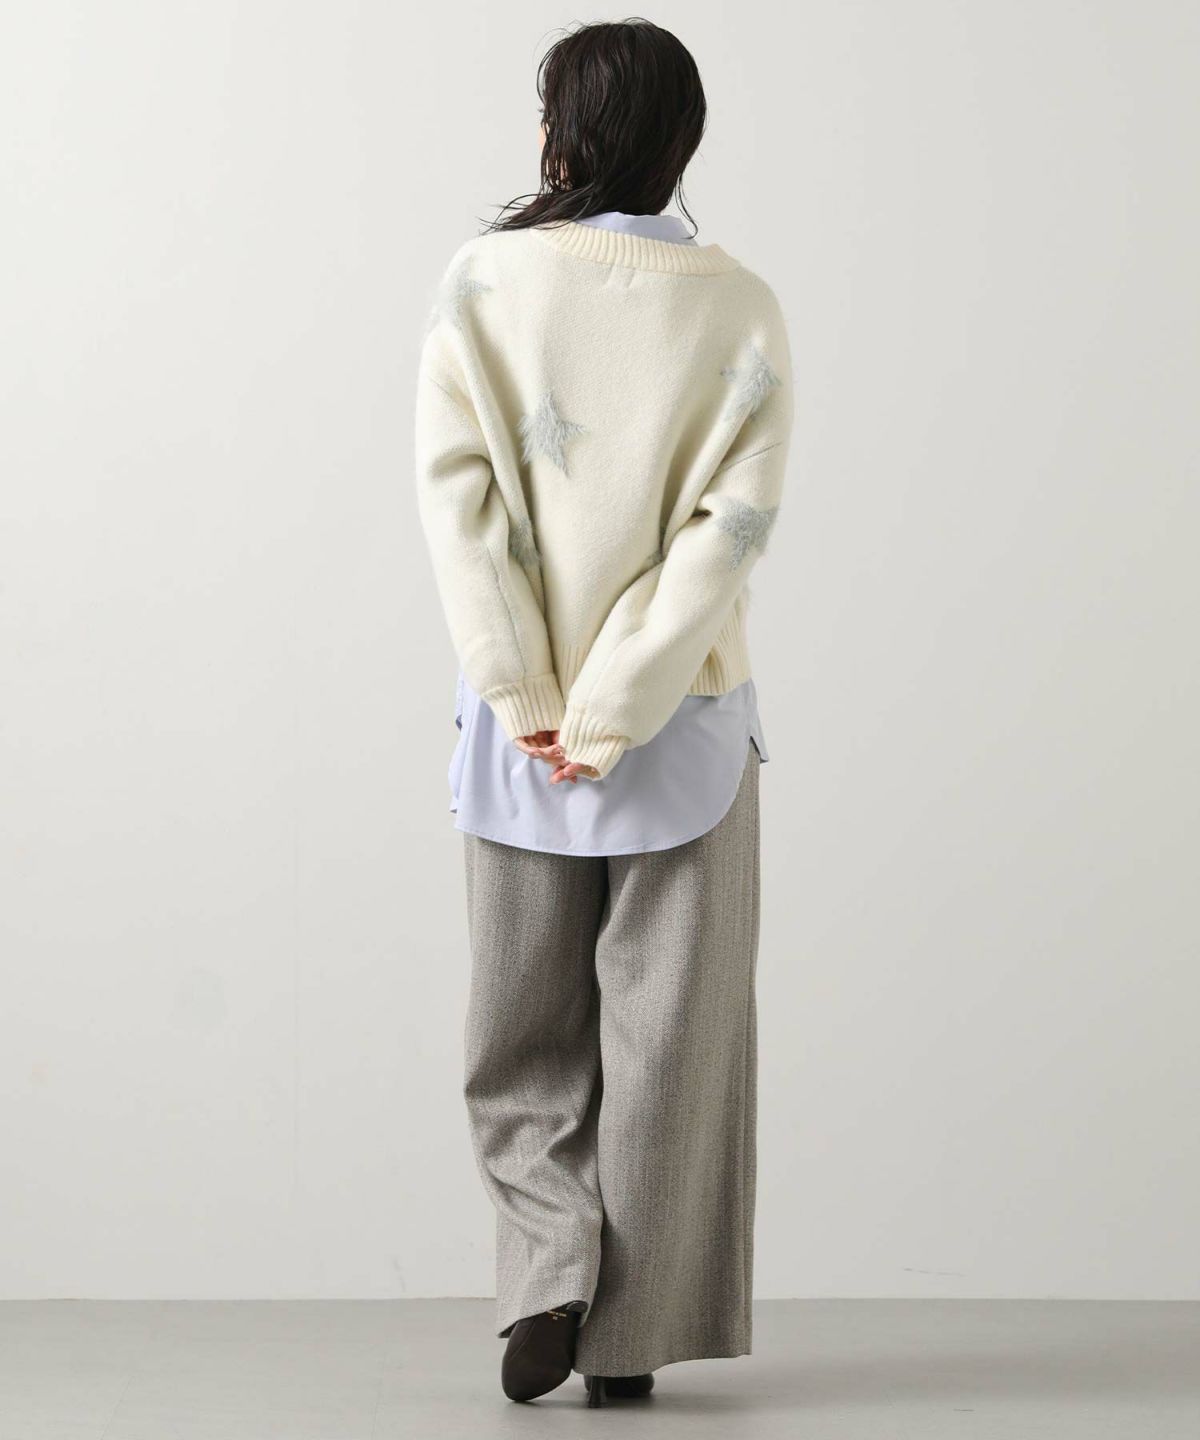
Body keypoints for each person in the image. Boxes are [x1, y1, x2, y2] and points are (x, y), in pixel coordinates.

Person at [415, 18, 793, 1409]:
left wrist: (527, 686)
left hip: (515, 728)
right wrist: (625, 697)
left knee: (517, 1027)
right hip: (686, 719)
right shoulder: (739, 305)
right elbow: (727, 533)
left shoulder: (486, 282)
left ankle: (546, 1278)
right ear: (683, 139)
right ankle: (631, 1338)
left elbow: (458, 507)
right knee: (672, 1042)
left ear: (557, 132)